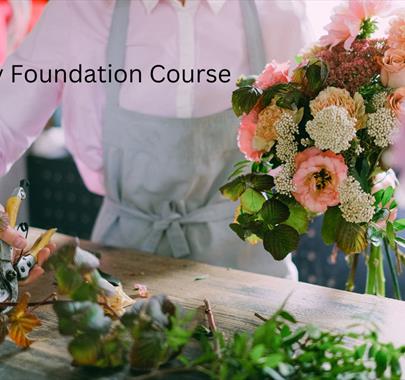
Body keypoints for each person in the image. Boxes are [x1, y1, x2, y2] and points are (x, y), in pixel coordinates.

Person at [0, 0, 311, 283]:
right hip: (122, 275)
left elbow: (322, 129)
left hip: (253, 274)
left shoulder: (280, 11)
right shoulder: (80, 11)